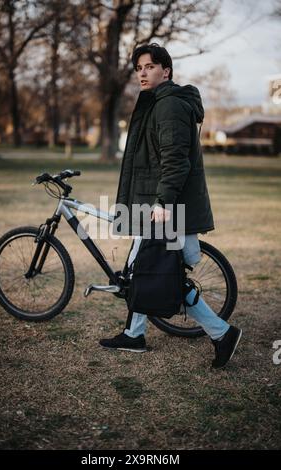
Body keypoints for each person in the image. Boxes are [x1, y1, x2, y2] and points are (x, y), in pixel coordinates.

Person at [99, 43, 242, 368]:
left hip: (168, 209)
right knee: (145, 269)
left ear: (166, 70)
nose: (142, 73)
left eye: (149, 66)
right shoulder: (158, 103)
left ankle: (222, 333)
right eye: (139, 68)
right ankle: (134, 333)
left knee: (160, 274)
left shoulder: (170, 105)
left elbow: (175, 161)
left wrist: (163, 202)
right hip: (158, 207)